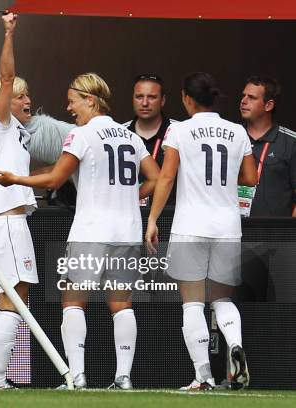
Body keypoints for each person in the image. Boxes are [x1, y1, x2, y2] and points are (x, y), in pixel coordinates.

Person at [0, 72, 160, 390]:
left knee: (72, 300)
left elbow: (55, 179)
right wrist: (127, 195)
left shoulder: (82, 135)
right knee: (122, 304)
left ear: (90, 100)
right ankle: (123, 378)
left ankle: (77, 376)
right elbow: (155, 177)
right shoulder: (131, 137)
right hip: (126, 231)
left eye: (72, 102)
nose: (69, 110)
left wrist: (16, 180)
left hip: (91, 230)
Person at [145, 72, 257, 391]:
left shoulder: (179, 131)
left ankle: (203, 377)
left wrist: (152, 219)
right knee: (222, 299)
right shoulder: (236, 132)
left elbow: (165, 178)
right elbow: (250, 177)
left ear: (186, 98)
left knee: (192, 304)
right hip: (227, 226)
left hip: (190, 226)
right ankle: (234, 345)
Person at [0, 13, 38, 389]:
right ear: (3, 102)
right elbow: (4, 78)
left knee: (9, 298)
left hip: (1, 220)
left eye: (26, 93)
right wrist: (9, 33)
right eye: (19, 96)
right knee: (16, 298)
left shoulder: (18, 132)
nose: (26, 99)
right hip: (6, 221)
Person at [240, 76, 296, 217]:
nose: (243, 101)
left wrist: (290, 234)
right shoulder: (231, 136)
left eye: (251, 97)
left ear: (268, 105)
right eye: (243, 95)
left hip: (274, 235)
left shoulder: (290, 142)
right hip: (232, 232)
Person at [124, 74, 178, 206]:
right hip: (129, 215)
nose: (144, 103)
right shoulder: (120, 133)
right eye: (139, 97)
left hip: (169, 216)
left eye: (152, 97)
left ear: (163, 100)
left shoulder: (179, 131)